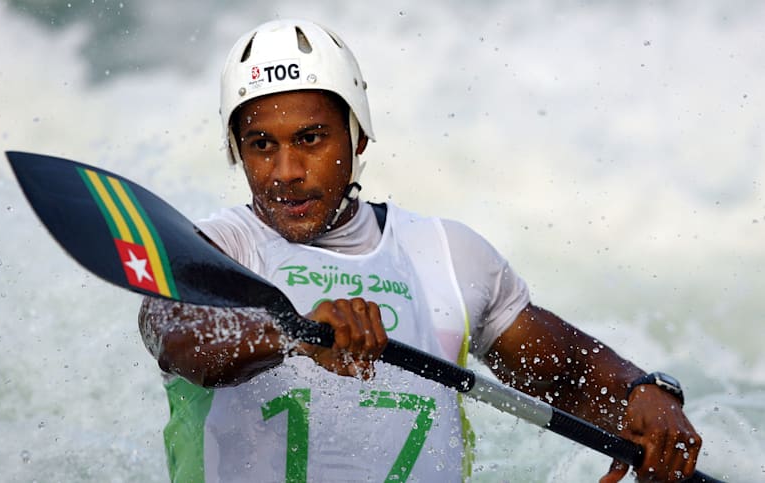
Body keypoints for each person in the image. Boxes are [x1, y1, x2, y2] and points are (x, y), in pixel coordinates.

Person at [138, 19, 702, 482]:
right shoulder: (213, 248)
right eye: (261, 145)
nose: (285, 172)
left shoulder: (446, 254)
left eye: (310, 139)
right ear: (236, 151)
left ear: (358, 137)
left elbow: (569, 376)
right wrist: (294, 335)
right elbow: (175, 333)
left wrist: (644, 395)